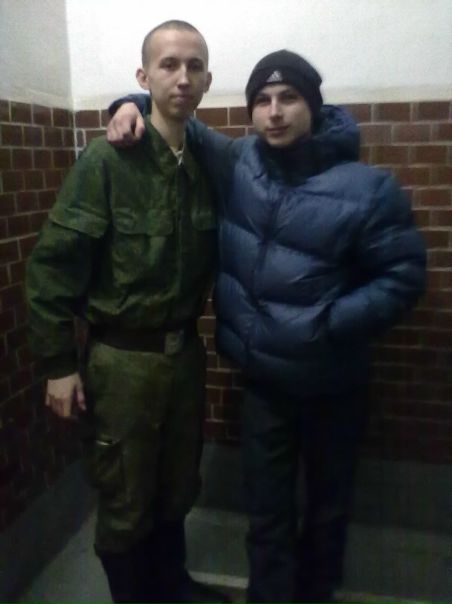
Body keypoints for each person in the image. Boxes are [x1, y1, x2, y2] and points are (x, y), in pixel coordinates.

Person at [107, 50, 426, 604]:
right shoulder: (239, 162)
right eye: (262, 101)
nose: (274, 112)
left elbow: (403, 276)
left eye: (288, 98)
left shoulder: (368, 189)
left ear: (313, 105)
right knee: (267, 511)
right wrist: (126, 104)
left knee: (327, 510)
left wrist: (327, 324)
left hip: (335, 385)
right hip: (264, 388)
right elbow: (173, 112)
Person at [26, 20, 231, 604]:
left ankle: (172, 586)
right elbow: (53, 266)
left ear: (208, 80)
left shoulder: (205, 166)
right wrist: (58, 365)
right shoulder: (107, 161)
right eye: (169, 64)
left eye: (195, 66)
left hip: (184, 357)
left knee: (177, 483)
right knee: (125, 494)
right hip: (122, 363)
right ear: (143, 77)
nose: (183, 77)